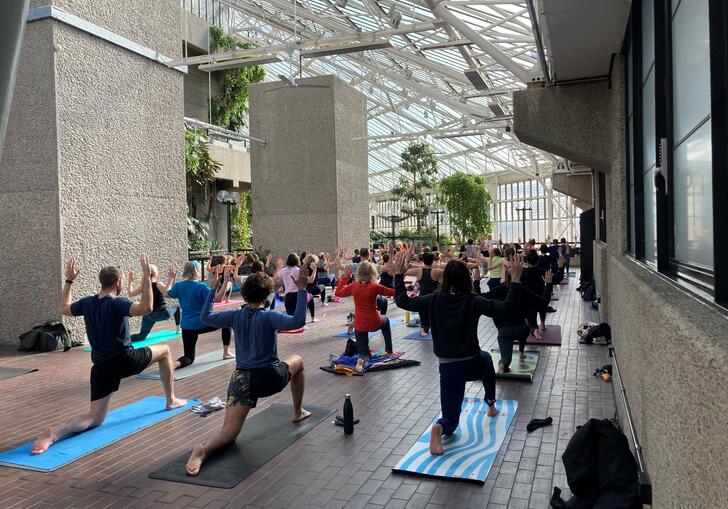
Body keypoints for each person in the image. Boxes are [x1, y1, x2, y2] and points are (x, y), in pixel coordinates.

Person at [31, 256, 186, 455]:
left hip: (101, 367)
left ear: (101, 282)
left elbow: (62, 308)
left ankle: (54, 434)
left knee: (95, 418)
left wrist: (69, 281)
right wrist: (146, 277)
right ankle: (170, 399)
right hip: (124, 359)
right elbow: (146, 308)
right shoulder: (118, 302)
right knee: (165, 350)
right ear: (119, 282)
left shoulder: (88, 303)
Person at [392, 251, 524, 455]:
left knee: (451, 420)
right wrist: (515, 281)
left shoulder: (433, 300)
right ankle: (490, 405)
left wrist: (399, 275)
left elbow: (403, 301)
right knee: (487, 360)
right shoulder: (473, 301)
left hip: (447, 369)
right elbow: (508, 309)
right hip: (472, 362)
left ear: (445, 280)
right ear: (466, 279)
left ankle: (440, 427)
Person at [185, 268, 311, 476]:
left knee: (228, 433)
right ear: (267, 295)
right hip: (267, 378)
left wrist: (212, 291)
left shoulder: (235, 316)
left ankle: (202, 449)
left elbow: (206, 317)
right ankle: (298, 412)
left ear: (244, 294)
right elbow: (298, 322)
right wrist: (302, 289)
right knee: (298, 361)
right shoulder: (270, 316)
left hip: (240, 380)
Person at [481, 262, 554, 372]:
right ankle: (521, 353)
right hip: (522, 329)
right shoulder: (524, 291)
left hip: (504, 332)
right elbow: (544, 302)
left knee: (505, 358)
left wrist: (476, 281)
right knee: (523, 333)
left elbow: (481, 297)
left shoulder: (500, 289)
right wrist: (548, 284)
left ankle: (502, 364)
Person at [164, 261, 232, 368]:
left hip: (187, 326)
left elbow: (166, 293)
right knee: (227, 321)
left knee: (189, 357)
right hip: (203, 323)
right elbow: (217, 298)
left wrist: (171, 278)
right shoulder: (201, 287)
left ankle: (173, 364)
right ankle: (226, 353)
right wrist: (225, 281)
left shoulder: (179, 286)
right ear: (197, 271)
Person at [335, 261, 396, 373]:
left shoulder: (353, 286)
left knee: (364, 354)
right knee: (385, 319)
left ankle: (361, 360)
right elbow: (394, 292)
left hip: (359, 325)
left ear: (358, 273)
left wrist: (345, 277)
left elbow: (338, 293)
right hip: (374, 322)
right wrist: (396, 277)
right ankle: (389, 350)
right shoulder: (375, 286)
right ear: (372, 273)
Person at [127, 264, 181, 341]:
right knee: (177, 306)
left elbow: (130, 294)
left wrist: (130, 281)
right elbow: (168, 292)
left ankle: (124, 339)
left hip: (148, 316)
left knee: (141, 336)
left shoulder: (144, 286)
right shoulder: (158, 284)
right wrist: (171, 278)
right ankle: (178, 329)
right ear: (155, 273)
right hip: (162, 313)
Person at [402, 251, 442, 337]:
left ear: (423, 261)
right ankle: (432, 327)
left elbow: (403, 271)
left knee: (424, 321)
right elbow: (450, 270)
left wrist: (408, 261)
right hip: (434, 298)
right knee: (434, 318)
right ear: (433, 260)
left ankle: (424, 328)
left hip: (422, 298)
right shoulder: (437, 271)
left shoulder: (418, 271)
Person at [279, 254, 316, 322]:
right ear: (297, 261)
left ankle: (302, 321)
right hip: (298, 296)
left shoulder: (282, 271)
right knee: (310, 297)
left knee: (291, 318)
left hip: (288, 297)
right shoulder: (298, 270)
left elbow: (277, 278)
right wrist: (314, 270)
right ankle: (312, 318)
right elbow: (311, 281)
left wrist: (279, 267)